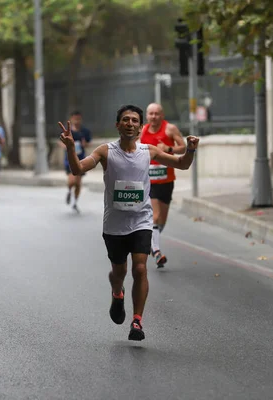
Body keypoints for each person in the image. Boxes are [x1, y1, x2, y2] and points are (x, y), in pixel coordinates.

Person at [59, 104, 199, 341]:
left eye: (135, 120)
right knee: (119, 271)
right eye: (126, 120)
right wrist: (72, 148)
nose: (130, 123)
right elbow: (78, 168)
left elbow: (182, 163)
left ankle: (137, 321)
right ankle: (117, 292)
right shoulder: (106, 151)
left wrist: (192, 150)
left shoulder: (149, 151)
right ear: (118, 125)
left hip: (141, 220)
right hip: (114, 224)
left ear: (140, 126)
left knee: (141, 268)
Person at [139, 103, 186, 268]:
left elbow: (183, 148)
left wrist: (169, 148)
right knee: (156, 215)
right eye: (150, 113)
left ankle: (152, 242)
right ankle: (157, 251)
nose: (153, 117)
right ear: (146, 115)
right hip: (149, 181)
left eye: (157, 113)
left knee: (162, 220)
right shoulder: (142, 132)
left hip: (167, 180)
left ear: (162, 115)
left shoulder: (170, 129)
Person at [62, 110, 92, 212]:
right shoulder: (67, 131)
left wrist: (85, 144)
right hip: (69, 158)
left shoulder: (85, 131)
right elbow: (60, 142)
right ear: (71, 119)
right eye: (75, 118)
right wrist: (66, 146)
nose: (76, 121)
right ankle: (69, 191)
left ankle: (75, 202)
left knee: (78, 183)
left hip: (81, 159)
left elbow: (88, 143)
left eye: (78, 119)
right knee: (71, 181)